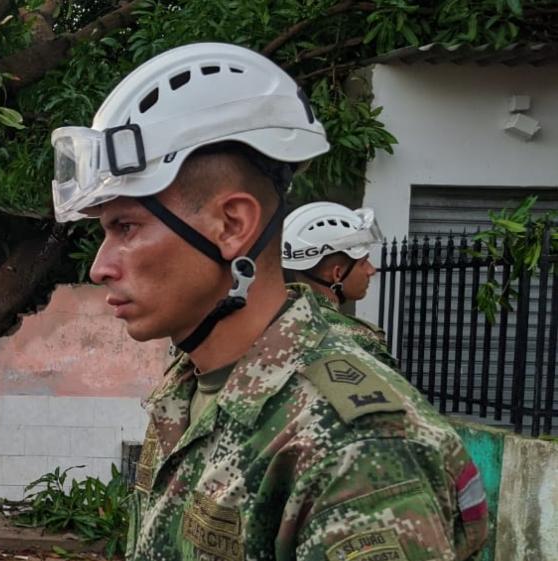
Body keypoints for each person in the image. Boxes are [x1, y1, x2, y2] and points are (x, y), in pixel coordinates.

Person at [49, 43, 489, 560]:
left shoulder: (356, 447)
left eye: (126, 226)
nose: (100, 266)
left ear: (232, 225)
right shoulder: (189, 383)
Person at [283, 202, 398, 367]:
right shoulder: (361, 338)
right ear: (337, 274)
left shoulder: (260, 319)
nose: (371, 270)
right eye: (364, 262)